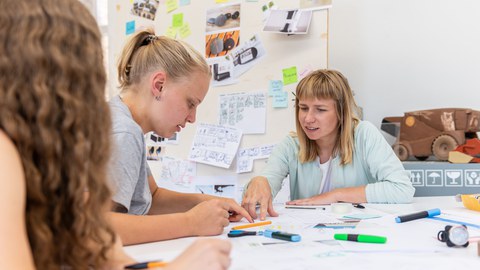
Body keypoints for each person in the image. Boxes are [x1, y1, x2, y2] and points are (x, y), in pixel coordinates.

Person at [0, 0, 231, 269]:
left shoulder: (47, 156)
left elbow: (101, 234)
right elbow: (103, 224)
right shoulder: (121, 129)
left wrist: (205, 205)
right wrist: (190, 226)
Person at [109, 29, 253, 245]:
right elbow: (96, 228)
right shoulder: (123, 131)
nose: (192, 118)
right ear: (159, 85)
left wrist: (212, 202)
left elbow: (151, 198)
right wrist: (190, 223)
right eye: (190, 103)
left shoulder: (122, 121)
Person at [242, 69, 415, 220]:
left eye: (320, 109)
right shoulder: (291, 145)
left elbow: (402, 189)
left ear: (341, 112)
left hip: (359, 234)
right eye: (303, 108)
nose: (308, 118)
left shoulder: (364, 134)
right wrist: (259, 181)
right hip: (309, 239)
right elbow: (261, 190)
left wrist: (336, 195)